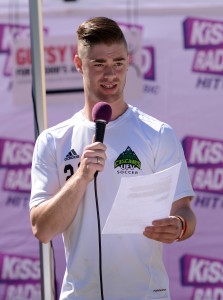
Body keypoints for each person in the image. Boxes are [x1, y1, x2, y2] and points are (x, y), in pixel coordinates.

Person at [30, 16, 196, 300]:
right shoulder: (53, 140)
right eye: (99, 64)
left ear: (128, 63)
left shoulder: (157, 134)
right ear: (79, 64)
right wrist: (81, 177)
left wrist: (179, 227)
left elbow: (184, 212)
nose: (110, 74)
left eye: (118, 63)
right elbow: (42, 229)